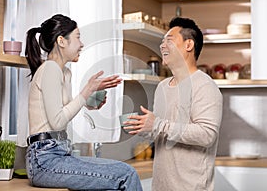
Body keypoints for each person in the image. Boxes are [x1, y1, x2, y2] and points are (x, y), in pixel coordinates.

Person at [25, 14, 143, 191]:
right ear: (61, 41)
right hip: (44, 160)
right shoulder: (50, 69)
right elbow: (57, 121)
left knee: (117, 181)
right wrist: (86, 91)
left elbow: (61, 109)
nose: (81, 44)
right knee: (126, 174)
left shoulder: (65, 73)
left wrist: (89, 99)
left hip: (59, 154)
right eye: (78, 37)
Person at [124, 17, 223, 191]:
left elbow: (207, 135)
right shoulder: (162, 86)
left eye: (169, 41)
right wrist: (144, 128)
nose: (162, 46)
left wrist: (157, 124)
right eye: (162, 42)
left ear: (189, 45)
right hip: (161, 186)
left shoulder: (204, 86)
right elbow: (163, 132)